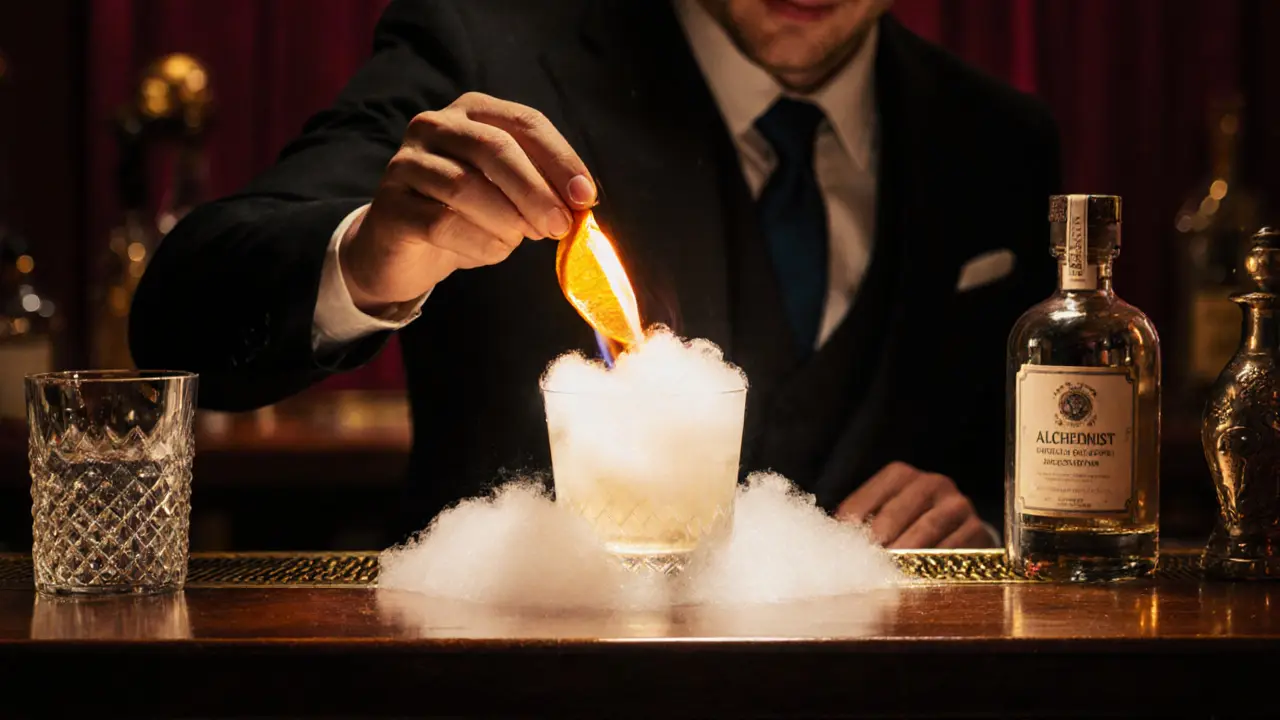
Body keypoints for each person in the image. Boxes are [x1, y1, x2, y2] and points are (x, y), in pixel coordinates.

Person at [130, 0, 1061, 549]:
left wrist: (978, 526)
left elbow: (1020, 469)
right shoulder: (482, 50)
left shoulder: (999, 143)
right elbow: (184, 321)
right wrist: (373, 255)